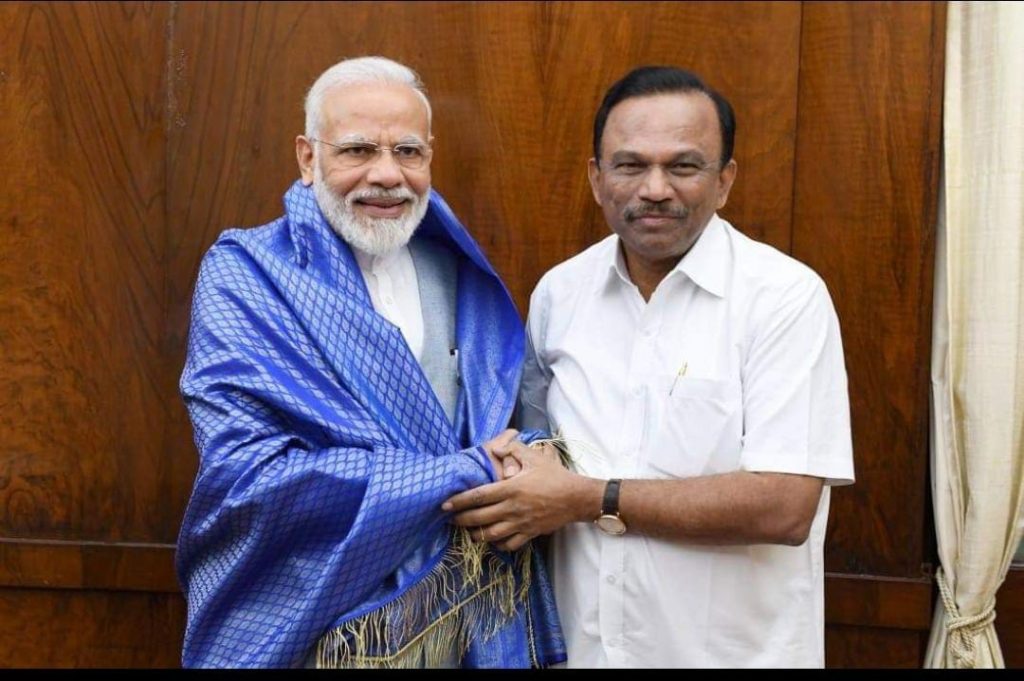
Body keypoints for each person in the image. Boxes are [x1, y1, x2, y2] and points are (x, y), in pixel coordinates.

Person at [443, 66, 855, 667]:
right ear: (597, 178)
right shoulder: (561, 293)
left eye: (683, 166)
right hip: (582, 654)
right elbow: (539, 458)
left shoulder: (784, 297)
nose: (655, 188)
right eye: (630, 165)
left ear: (724, 181)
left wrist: (589, 499)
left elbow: (785, 506)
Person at [175, 56, 565, 669]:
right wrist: (457, 474)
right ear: (307, 158)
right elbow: (244, 471)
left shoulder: (460, 273)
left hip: (466, 626)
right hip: (321, 630)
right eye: (357, 150)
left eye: (408, 152)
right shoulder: (247, 275)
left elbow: (508, 427)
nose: (387, 175)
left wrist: (531, 460)